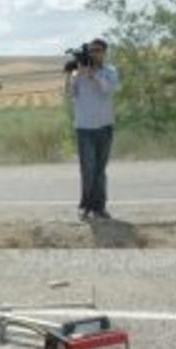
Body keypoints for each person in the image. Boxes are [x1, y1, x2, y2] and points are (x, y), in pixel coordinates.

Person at [64, 38, 120, 221]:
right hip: (84, 128)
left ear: (104, 52)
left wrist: (92, 75)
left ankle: (100, 207)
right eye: (91, 50)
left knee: (100, 170)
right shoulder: (78, 73)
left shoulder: (110, 71)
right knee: (87, 169)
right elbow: (70, 95)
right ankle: (85, 206)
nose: (94, 53)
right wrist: (70, 75)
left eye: (97, 50)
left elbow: (107, 90)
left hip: (105, 127)